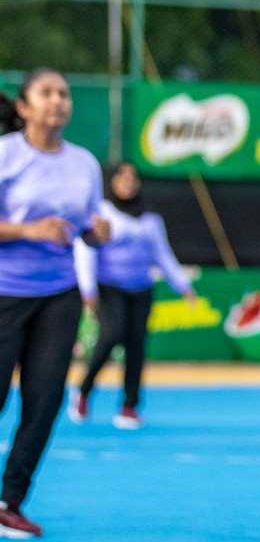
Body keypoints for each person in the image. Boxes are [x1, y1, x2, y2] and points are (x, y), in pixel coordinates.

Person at [0, 70, 109, 539]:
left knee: (45, 401)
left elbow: (87, 223)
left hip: (59, 295)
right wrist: (28, 230)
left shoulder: (84, 163)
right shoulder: (6, 154)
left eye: (64, 94)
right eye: (47, 93)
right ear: (24, 107)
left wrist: (95, 233)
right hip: (5, 292)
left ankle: (9, 502)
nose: (58, 101)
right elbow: (34, 226)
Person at [69, 161, 196, 430]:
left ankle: (129, 406)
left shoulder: (150, 217)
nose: (128, 182)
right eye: (122, 177)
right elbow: (86, 249)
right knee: (112, 335)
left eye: (133, 177)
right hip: (109, 286)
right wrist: (88, 289)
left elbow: (162, 254)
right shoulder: (101, 211)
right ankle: (83, 391)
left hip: (141, 288)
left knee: (136, 346)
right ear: (112, 181)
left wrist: (183, 285)